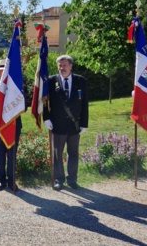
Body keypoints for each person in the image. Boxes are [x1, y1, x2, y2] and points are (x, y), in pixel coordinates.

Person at [43, 55, 89, 190]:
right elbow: (44, 101)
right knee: (57, 154)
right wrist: (46, 118)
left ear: (71, 66)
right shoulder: (51, 81)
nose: (62, 68)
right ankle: (58, 179)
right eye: (59, 66)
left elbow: (85, 104)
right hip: (57, 124)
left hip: (75, 125)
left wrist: (84, 123)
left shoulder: (81, 81)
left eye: (64, 65)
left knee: (73, 153)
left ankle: (72, 179)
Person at [0, 59, 22, 192]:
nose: (1, 74)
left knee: (12, 154)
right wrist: (1, 99)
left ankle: (12, 181)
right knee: (1, 154)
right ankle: (1, 181)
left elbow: (21, 105)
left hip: (13, 125)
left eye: (3, 71)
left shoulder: (16, 88)